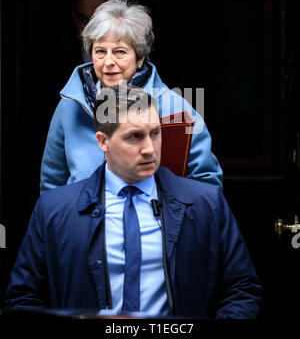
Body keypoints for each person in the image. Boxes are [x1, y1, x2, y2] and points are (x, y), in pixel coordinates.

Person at [5, 85, 261, 318]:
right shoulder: (54, 210)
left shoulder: (206, 203)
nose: (150, 148)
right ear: (103, 142)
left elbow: (242, 288)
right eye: (135, 137)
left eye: (155, 133)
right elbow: (22, 299)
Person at [40, 0, 223, 192]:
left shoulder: (176, 108)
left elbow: (207, 184)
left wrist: (174, 220)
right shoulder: (70, 105)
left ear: (140, 57)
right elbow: (51, 186)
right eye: (100, 51)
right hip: (80, 220)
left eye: (120, 52)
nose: (108, 61)